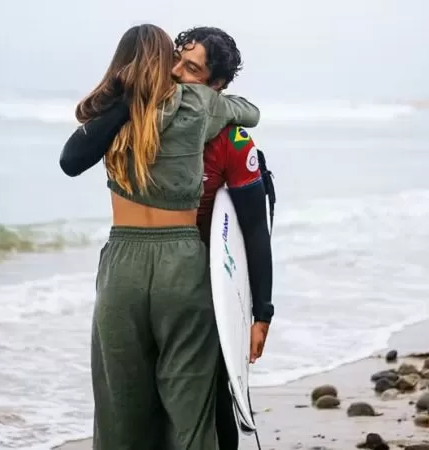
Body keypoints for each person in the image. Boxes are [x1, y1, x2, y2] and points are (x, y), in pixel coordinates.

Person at [59, 24, 260, 450]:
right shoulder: (200, 103)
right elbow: (250, 112)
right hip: (182, 265)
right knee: (190, 411)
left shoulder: (111, 115)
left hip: (122, 268)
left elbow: (71, 160)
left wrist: (127, 97)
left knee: (121, 410)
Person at [172, 26, 275, 450]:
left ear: (216, 86)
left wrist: (261, 312)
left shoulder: (231, 138)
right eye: (176, 59)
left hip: (207, 283)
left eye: (191, 68)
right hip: (159, 278)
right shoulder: (151, 119)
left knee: (215, 396)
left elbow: (253, 228)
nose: (175, 72)